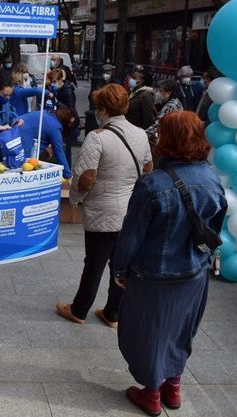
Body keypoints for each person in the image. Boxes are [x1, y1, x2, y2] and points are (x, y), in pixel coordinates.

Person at [113, 111, 227, 416]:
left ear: (166, 139)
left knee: (147, 332)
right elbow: (213, 229)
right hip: (194, 273)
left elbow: (131, 234)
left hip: (154, 274)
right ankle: (173, 387)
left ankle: (151, 393)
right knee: (181, 330)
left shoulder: (152, 184)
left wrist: (120, 269)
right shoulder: (212, 179)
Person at [55, 84, 152, 328]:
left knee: (94, 264)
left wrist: (75, 199)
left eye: (98, 108)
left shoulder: (97, 138)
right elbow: (148, 168)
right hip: (130, 212)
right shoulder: (140, 134)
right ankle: (113, 313)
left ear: (104, 109)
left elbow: (86, 177)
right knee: (121, 265)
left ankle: (78, 310)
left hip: (103, 211)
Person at [18, 107, 74, 179]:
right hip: (24, 143)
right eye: (70, 123)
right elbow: (59, 152)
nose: (71, 126)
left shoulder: (47, 114)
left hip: (14, 132)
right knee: (25, 169)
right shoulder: (55, 128)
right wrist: (68, 176)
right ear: (65, 121)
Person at [50, 68, 78, 167]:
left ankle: (66, 170)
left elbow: (70, 109)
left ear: (61, 80)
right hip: (61, 120)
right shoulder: (58, 89)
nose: (53, 84)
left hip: (68, 122)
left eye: (55, 82)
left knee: (66, 148)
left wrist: (57, 103)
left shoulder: (67, 90)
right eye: (52, 82)